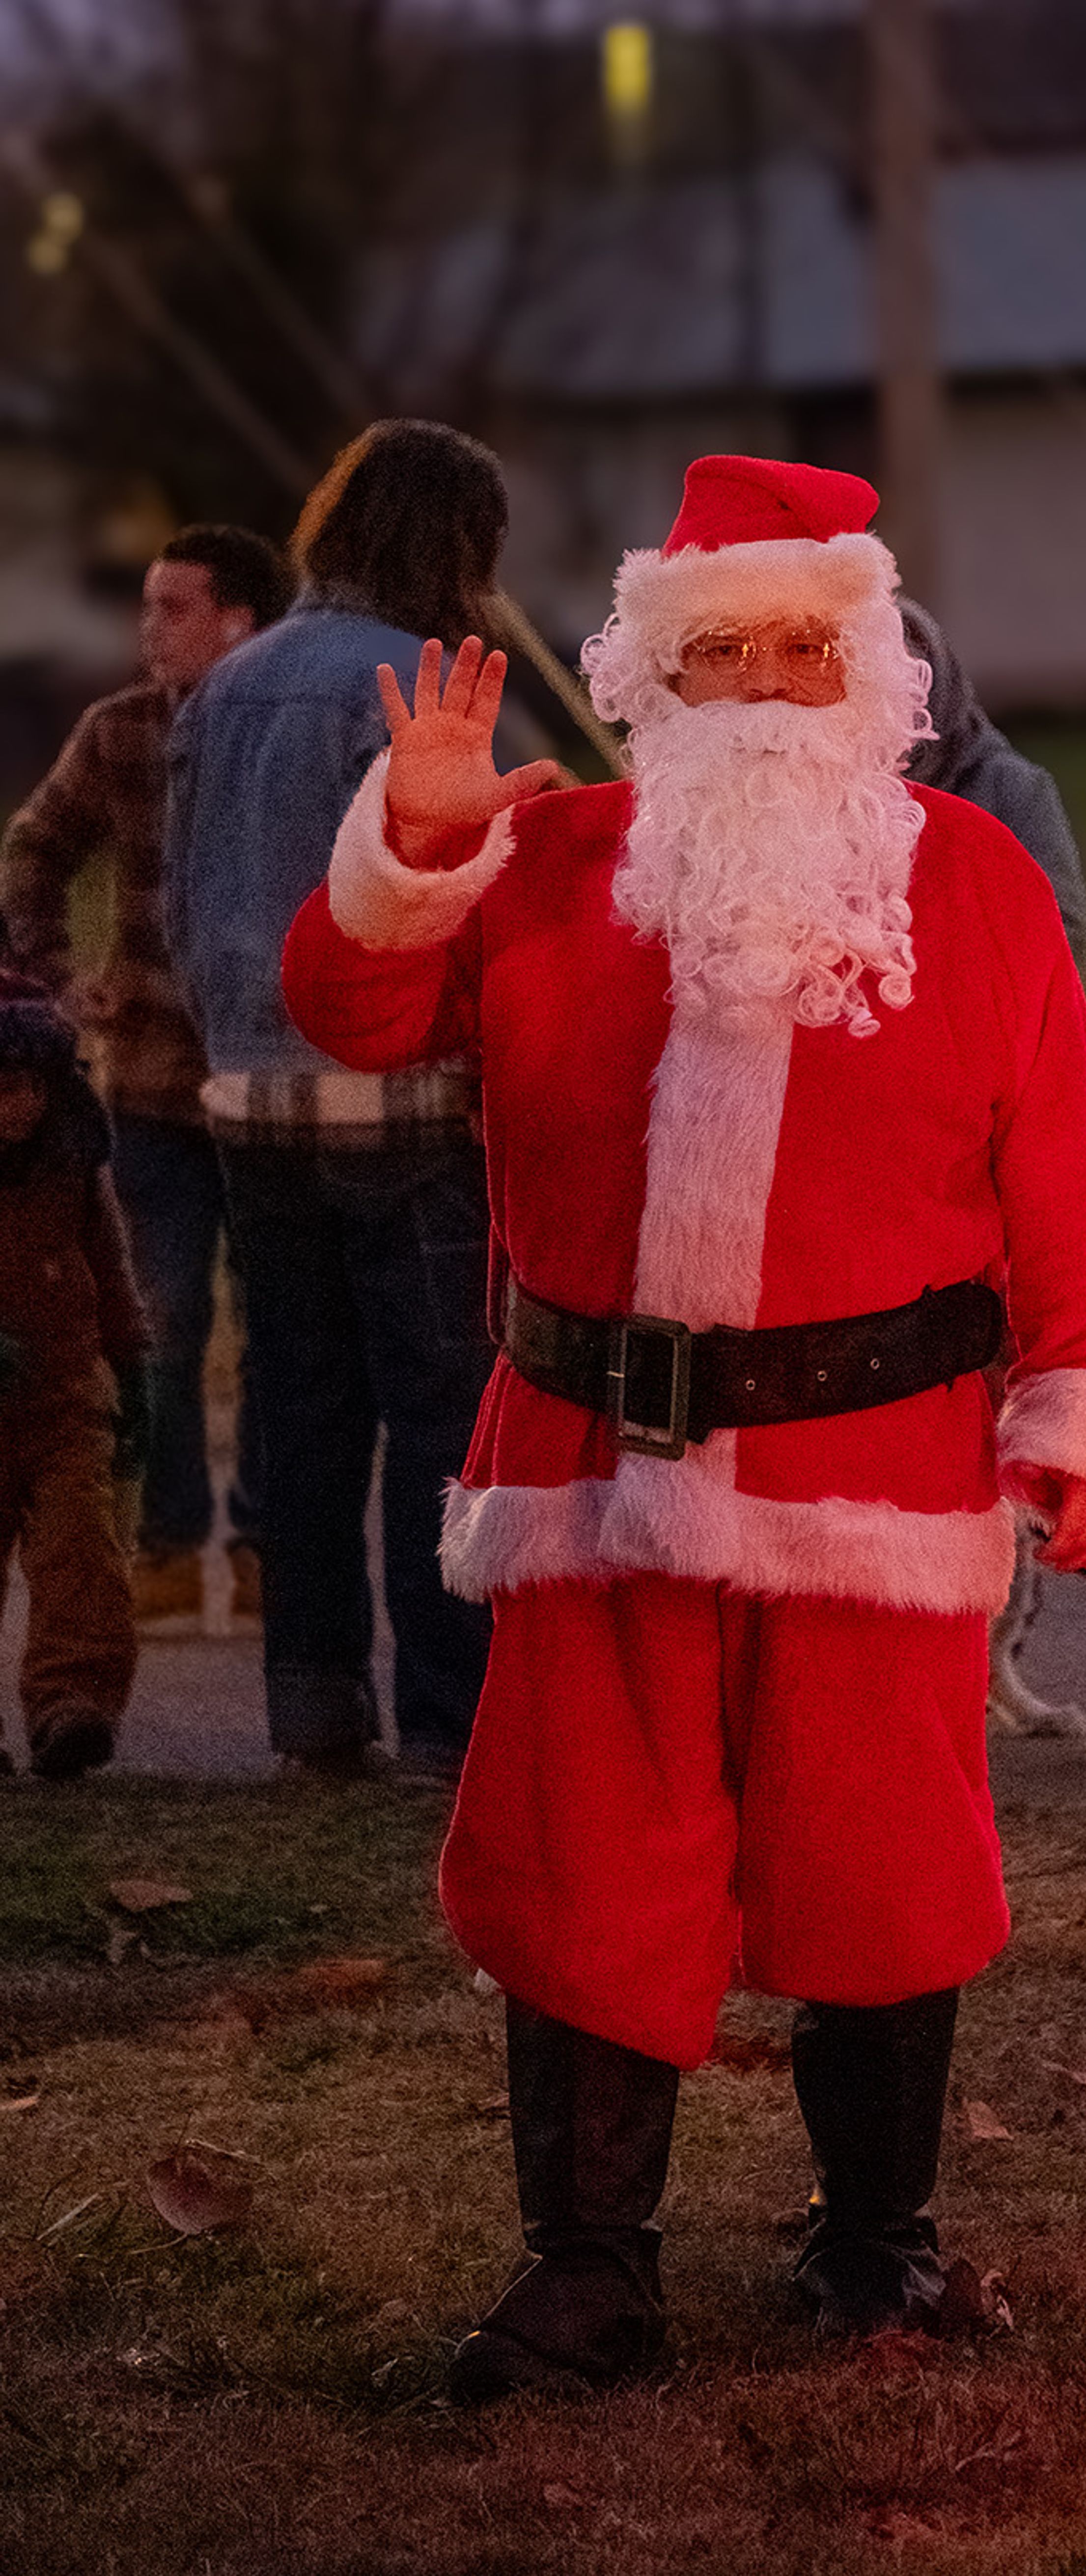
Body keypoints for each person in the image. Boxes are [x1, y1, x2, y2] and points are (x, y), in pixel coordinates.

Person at [279, 454, 1086, 2398]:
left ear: (865, 669)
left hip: (884, 1476)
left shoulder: (975, 882)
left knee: (882, 1866)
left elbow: (1077, 1177)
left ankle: (878, 2250)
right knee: (586, 1866)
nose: (764, 684)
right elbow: (346, 1015)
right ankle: (590, 2273)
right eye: (718, 653)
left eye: (801, 646)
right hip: (597, 1476)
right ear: (650, 683)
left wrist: (1080, 1413)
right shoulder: (549, 864)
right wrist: (411, 848)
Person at [165, 422, 534, 1780]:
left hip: (250, 1102)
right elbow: (457, 897)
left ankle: (312, 1704)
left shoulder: (229, 681)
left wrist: (225, 1036)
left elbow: (175, 893)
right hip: (406, 1101)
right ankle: (449, 1713)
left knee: (300, 1413)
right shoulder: (417, 683)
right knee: (442, 1410)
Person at [0, 524, 285, 1625]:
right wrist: (62, 973)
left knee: (278, 1328)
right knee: (159, 1322)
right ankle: (168, 1547)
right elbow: (34, 850)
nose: (147, 628)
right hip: (153, 1090)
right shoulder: (118, 732)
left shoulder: (276, 741)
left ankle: (265, 1549)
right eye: (148, 605)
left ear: (239, 621)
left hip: (269, 1087)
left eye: (174, 607)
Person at [0, 971, 150, 1779]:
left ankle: (73, 1707)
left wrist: (132, 1365)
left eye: (24, 1087)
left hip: (66, 1405)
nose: (13, 1107)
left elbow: (110, 1267)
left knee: (81, 1557)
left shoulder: (72, 1168)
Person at [899, 601, 1086, 971]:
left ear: (939, 684)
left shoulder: (1008, 787)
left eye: (911, 682)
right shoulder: (824, 791)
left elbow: (1064, 935)